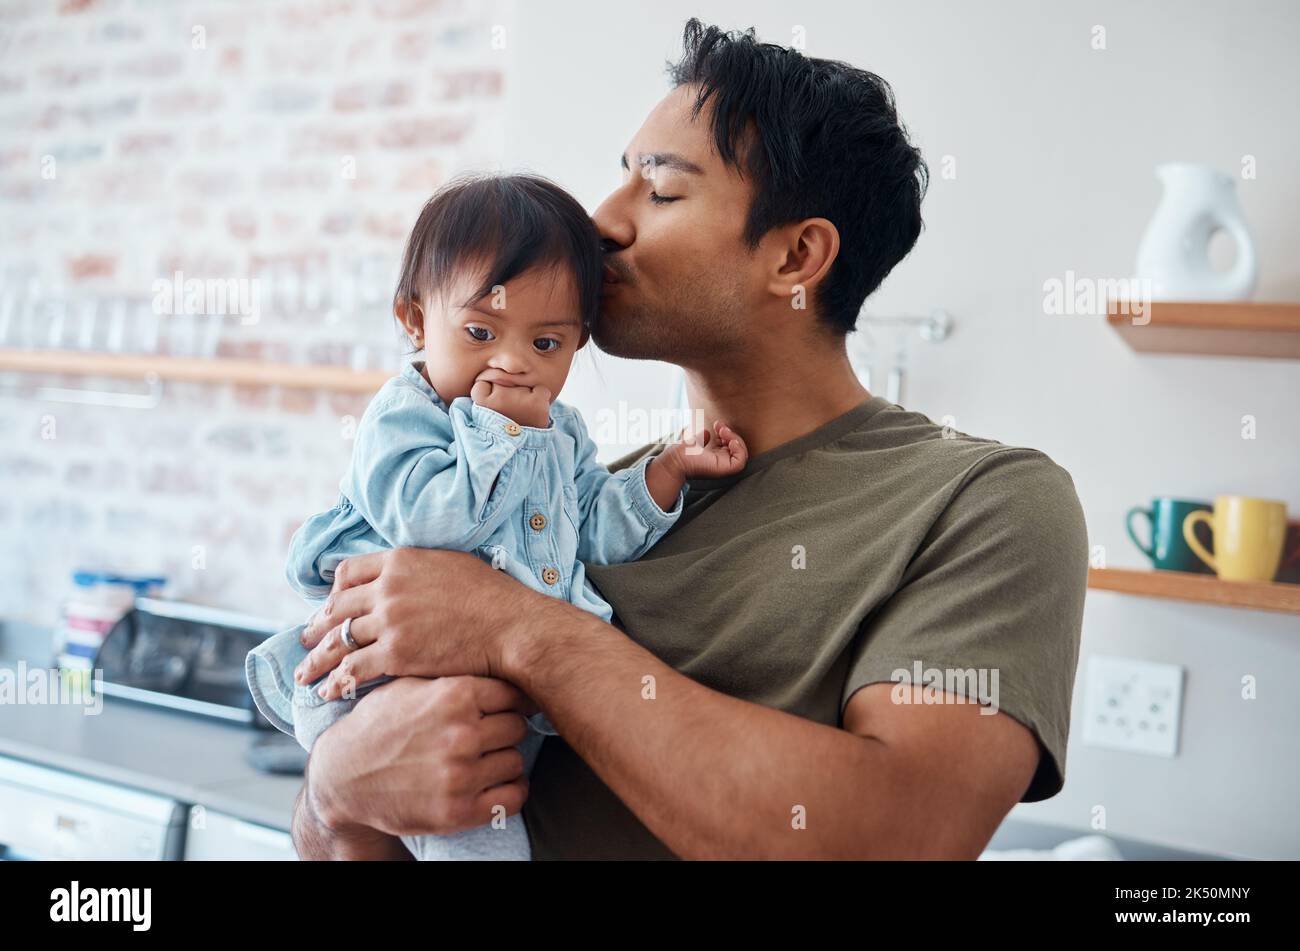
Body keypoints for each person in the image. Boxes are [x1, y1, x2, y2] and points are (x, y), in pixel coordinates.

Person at [287, 19, 1089, 860]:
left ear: (797, 257)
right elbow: (358, 816)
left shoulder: (983, 505)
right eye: (619, 180)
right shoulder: (578, 495)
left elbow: (898, 834)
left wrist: (516, 628)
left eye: (660, 192)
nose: (599, 222)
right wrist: (335, 795)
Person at [244, 174, 746, 860]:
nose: (512, 362)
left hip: (498, 704)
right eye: (481, 330)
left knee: (495, 815)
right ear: (415, 319)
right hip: (384, 682)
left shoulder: (560, 431)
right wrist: (494, 431)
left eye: (547, 344)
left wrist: (665, 473)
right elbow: (427, 528)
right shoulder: (406, 415)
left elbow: (590, 535)